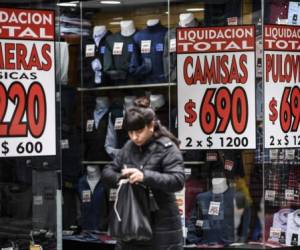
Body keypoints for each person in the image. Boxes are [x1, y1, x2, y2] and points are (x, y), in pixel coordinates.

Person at [102, 101, 185, 250]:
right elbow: (108, 170)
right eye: (130, 132)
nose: (134, 137)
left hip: (162, 226)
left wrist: (145, 176)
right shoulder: (128, 147)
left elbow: (177, 180)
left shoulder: (167, 147)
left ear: (151, 126)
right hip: (131, 221)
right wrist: (122, 178)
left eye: (139, 131)